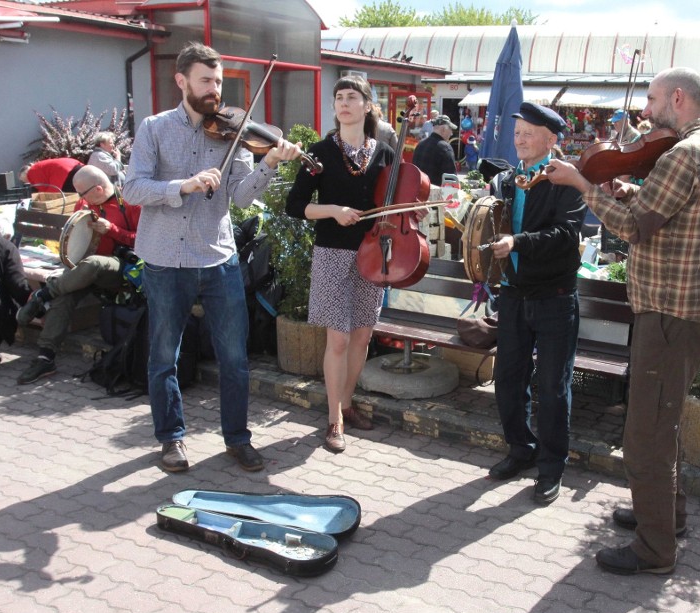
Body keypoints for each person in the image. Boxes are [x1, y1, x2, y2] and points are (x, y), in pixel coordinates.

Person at [545, 67, 700, 575]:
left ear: (677, 98)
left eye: (651, 100)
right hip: (687, 308)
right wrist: (626, 191)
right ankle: (664, 518)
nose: (645, 113)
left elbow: (634, 229)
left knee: (646, 432)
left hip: (670, 314)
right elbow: (663, 214)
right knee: (661, 420)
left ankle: (654, 552)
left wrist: (585, 184)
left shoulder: (682, 154)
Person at [123, 42, 303, 473]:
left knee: (235, 356)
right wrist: (181, 186)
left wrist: (271, 164)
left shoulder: (233, 131)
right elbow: (131, 189)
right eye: (206, 80)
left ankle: (237, 439)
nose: (214, 90)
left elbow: (241, 196)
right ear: (181, 80)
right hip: (165, 259)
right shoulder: (154, 128)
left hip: (218, 257)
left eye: (219, 81)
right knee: (164, 353)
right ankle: (171, 439)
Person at [286, 75, 396, 453]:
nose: (344, 103)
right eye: (339, 98)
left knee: (363, 334)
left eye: (352, 97)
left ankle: (347, 404)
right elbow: (294, 205)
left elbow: (394, 206)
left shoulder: (383, 153)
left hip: (372, 252)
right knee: (339, 337)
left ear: (367, 105)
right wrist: (333, 211)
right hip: (333, 253)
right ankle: (333, 419)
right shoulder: (319, 153)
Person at [485, 102, 585, 506]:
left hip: (554, 299)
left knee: (553, 387)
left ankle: (550, 468)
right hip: (512, 295)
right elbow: (494, 222)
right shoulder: (507, 180)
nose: (520, 138)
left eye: (529, 132)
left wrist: (517, 242)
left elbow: (565, 235)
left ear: (550, 139)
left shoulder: (567, 181)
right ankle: (520, 449)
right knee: (508, 380)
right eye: (518, 131)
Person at [16, 165, 141, 385]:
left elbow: (145, 241)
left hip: (119, 267)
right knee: (66, 294)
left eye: (82, 193)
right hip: (83, 268)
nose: (81, 199)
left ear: (99, 189)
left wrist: (111, 230)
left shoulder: (131, 203)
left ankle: (43, 295)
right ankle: (45, 356)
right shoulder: (85, 203)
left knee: (91, 264)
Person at [0, 216, 32, 365]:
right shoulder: (5, 246)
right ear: (8, 236)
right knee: (8, 307)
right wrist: (37, 308)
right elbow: (18, 285)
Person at [411, 114, 458, 186]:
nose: (451, 133)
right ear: (443, 129)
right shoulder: (445, 148)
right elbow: (451, 179)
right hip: (436, 193)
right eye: (450, 130)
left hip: (418, 191)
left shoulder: (420, 144)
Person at [19, 157, 83, 194]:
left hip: (64, 174)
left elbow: (43, 188)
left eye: (25, 180)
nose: (28, 182)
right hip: (73, 166)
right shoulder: (37, 167)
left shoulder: (31, 173)